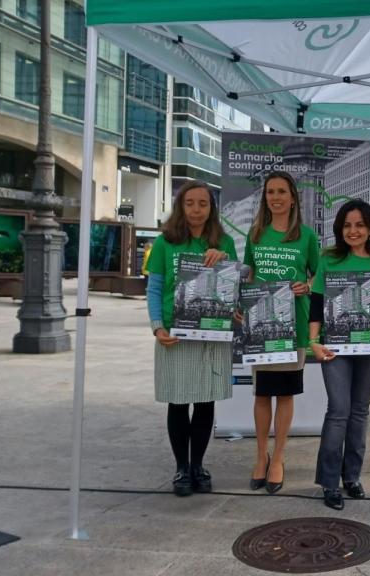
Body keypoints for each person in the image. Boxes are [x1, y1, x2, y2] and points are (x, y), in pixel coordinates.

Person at [145, 180, 237, 496]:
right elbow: (155, 288)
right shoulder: (165, 243)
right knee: (178, 400)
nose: (196, 209)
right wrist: (158, 326)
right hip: (175, 333)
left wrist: (222, 259)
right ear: (180, 207)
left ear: (211, 209)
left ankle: (198, 465)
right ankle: (181, 468)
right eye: (190, 203)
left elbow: (234, 285)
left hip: (210, 334)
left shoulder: (224, 241)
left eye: (203, 203)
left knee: (205, 400)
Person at [309, 200, 370, 510]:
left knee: (360, 410)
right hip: (335, 345)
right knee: (338, 410)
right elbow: (317, 304)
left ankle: (352, 477)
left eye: (359, 225)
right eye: (347, 225)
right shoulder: (328, 260)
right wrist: (312, 341)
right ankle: (329, 481)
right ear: (340, 229)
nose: (353, 231)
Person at [243, 171, 320, 494]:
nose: (275, 197)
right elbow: (247, 274)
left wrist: (307, 285)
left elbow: (319, 274)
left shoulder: (306, 236)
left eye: (282, 192)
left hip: (294, 326)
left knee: (285, 393)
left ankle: (280, 459)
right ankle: (261, 456)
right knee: (262, 394)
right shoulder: (255, 234)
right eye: (270, 192)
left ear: (292, 198)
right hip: (261, 325)